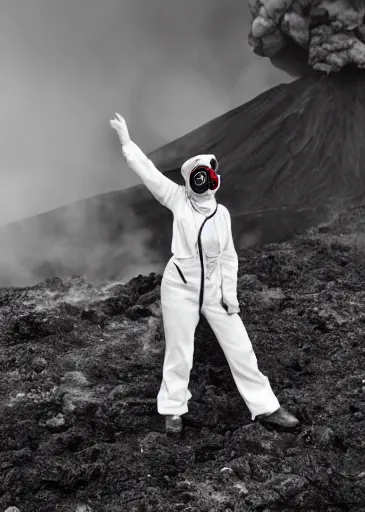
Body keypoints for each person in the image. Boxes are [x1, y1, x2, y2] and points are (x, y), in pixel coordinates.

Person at [107, 113, 299, 434]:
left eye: (207, 180)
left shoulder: (221, 214)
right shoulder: (177, 199)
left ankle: (266, 408)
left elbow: (228, 258)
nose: (204, 188)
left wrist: (230, 297)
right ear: (190, 184)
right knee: (179, 350)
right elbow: (149, 173)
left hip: (214, 291)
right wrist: (126, 142)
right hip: (179, 288)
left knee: (241, 348)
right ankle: (172, 411)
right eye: (198, 182)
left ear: (214, 180)